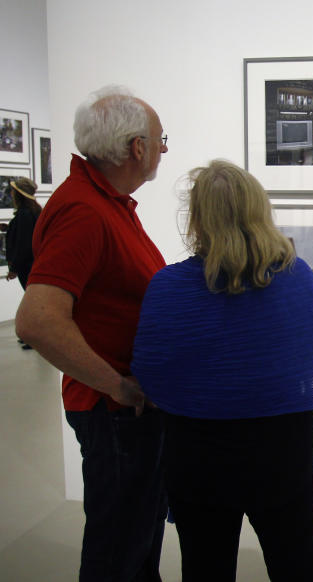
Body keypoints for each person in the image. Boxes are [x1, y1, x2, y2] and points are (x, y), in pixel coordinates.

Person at [132, 160, 313, 581]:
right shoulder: (294, 277)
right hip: (282, 449)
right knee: (297, 561)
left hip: (197, 454)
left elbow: (151, 373)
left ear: (197, 218)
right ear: (259, 211)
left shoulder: (168, 285)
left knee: (205, 565)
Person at [15, 85, 169, 581]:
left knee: (138, 540)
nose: (163, 150)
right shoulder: (83, 211)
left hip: (127, 412)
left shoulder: (108, 202)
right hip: (114, 414)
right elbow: (37, 319)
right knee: (117, 550)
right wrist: (116, 385)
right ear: (137, 149)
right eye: (161, 141)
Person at [2, 177, 42, 349]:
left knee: (32, 303)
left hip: (27, 266)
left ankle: (35, 338)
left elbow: (23, 244)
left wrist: (14, 268)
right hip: (31, 264)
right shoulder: (31, 211)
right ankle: (34, 338)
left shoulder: (25, 214)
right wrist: (8, 227)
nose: (11, 194)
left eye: (13, 191)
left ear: (19, 193)